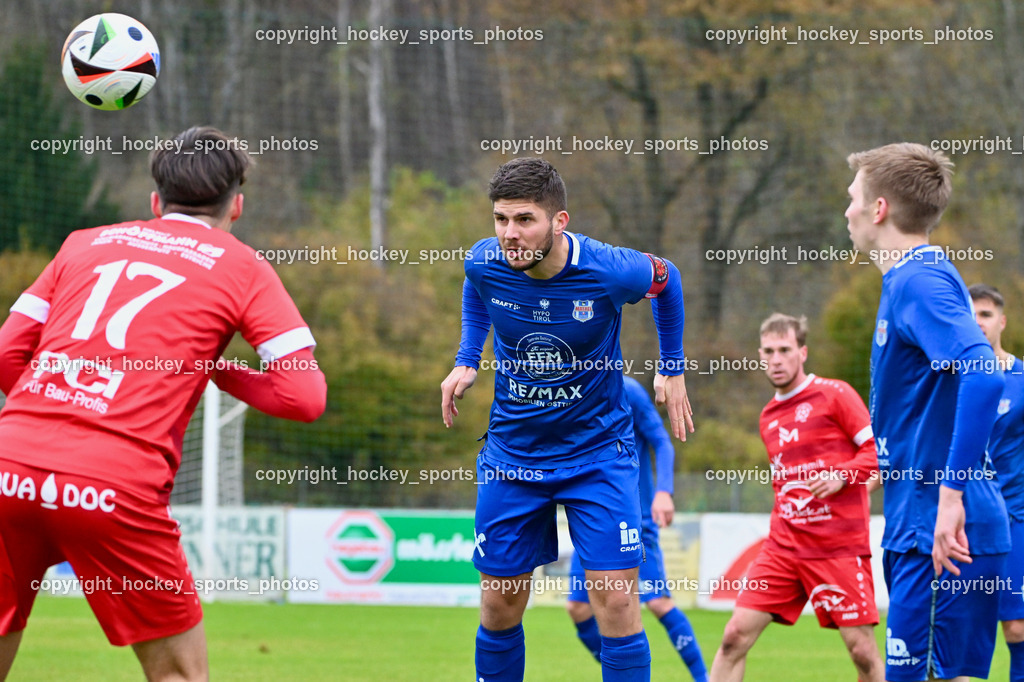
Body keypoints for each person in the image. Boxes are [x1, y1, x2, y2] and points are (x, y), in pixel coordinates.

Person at [0, 126, 327, 681]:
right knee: (177, 674)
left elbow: (9, 353)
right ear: (236, 206)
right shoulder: (243, 266)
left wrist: (55, 419)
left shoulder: (83, 243)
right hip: (112, 484)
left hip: (9, 464)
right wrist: (219, 371)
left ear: (155, 202)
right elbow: (303, 396)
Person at [440, 157, 693, 682]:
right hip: (513, 455)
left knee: (617, 604)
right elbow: (476, 288)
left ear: (560, 222)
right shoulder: (484, 260)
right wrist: (468, 356)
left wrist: (672, 368)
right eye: (501, 220)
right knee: (500, 606)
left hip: (597, 455)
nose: (509, 235)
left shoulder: (608, 269)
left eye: (524, 220)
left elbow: (667, 282)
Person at [845, 142, 1009, 682]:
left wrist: (951, 495)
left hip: (939, 533)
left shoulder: (919, 281)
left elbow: (983, 374)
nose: (846, 209)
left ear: (879, 209)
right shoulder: (910, 280)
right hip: (916, 523)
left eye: (853, 197)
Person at [709, 313, 883, 682]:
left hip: (838, 547)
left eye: (784, 350)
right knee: (733, 638)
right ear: (759, 355)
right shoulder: (768, 416)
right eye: (769, 351)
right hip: (784, 548)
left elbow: (878, 454)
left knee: (863, 653)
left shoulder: (835, 395)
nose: (776, 359)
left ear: (802, 352)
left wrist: (842, 476)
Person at [565, 374, 707, 682]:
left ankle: (704, 679)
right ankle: (619, 673)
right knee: (577, 608)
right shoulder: (572, 391)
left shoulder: (628, 390)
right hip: (593, 522)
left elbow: (661, 441)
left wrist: (664, 491)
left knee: (656, 602)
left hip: (635, 518)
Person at [969, 284, 1024, 681]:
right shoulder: (949, 378)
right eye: (970, 316)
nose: (978, 323)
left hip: (1015, 516)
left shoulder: (1021, 379)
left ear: (1001, 322)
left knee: (1017, 627)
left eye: (986, 315)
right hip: (963, 520)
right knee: (967, 629)